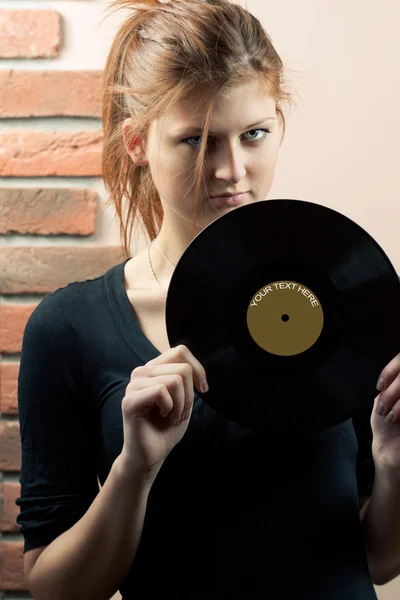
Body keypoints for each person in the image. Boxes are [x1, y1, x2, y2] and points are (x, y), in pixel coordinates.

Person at [15, 0, 400, 598]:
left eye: (254, 134)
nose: (231, 169)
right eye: (196, 140)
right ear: (138, 143)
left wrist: (396, 463)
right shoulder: (68, 329)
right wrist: (134, 470)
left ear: (278, 120)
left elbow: (377, 561)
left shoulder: (344, 299)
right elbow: (54, 588)